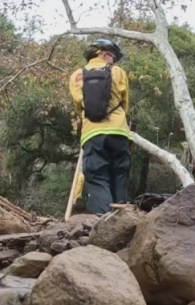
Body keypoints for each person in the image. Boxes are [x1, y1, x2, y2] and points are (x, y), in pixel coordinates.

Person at [68, 39, 132, 215]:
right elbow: (125, 102)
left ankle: (101, 220)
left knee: (97, 177)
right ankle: (122, 218)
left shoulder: (77, 75)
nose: (113, 60)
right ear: (102, 53)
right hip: (119, 132)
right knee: (120, 175)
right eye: (112, 55)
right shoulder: (118, 72)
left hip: (92, 133)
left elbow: (79, 104)